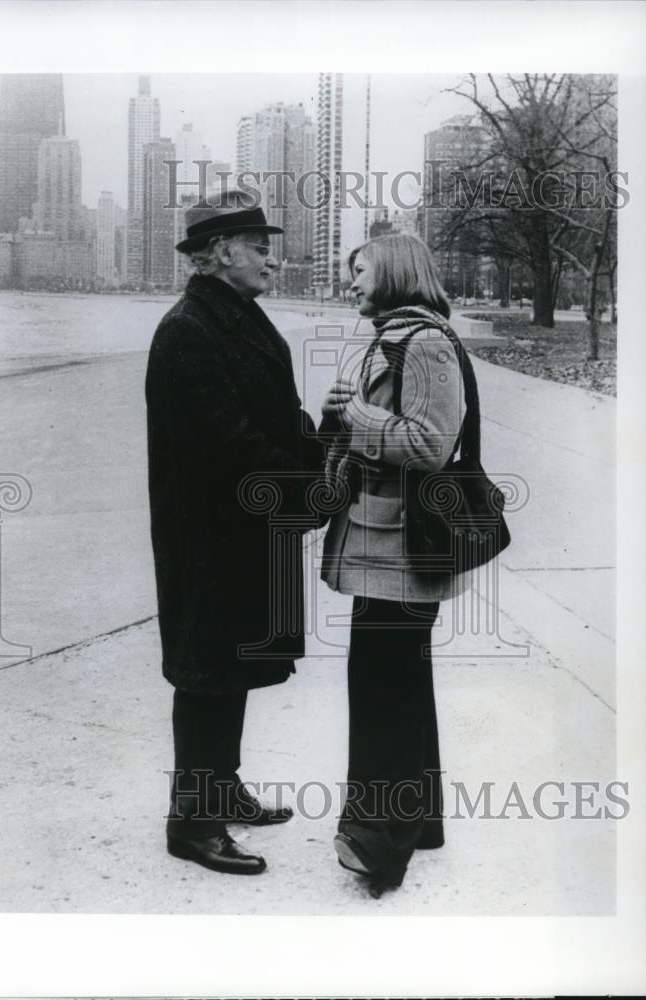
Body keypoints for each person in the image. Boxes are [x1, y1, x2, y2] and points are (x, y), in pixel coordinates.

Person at [145, 191, 324, 876]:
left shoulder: (236, 314)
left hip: (242, 529)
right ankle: (192, 823)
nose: (270, 259)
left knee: (230, 670)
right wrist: (310, 488)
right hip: (210, 538)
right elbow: (230, 446)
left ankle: (223, 788)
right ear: (220, 253)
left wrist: (318, 439)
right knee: (206, 675)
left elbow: (278, 415)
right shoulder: (190, 328)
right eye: (258, 246)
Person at [320, 233, 470, 897]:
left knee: (383, 691)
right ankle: (420, 821)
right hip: (387, 546)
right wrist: (342, 422)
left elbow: (431, 444)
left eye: (361, 271)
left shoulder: (427, 343)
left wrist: (354, 416)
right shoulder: (394, 337)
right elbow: (387, 433)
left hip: (402, 549)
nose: (351, 282)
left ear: (395, 273)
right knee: (398, 685)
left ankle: (379, 847)